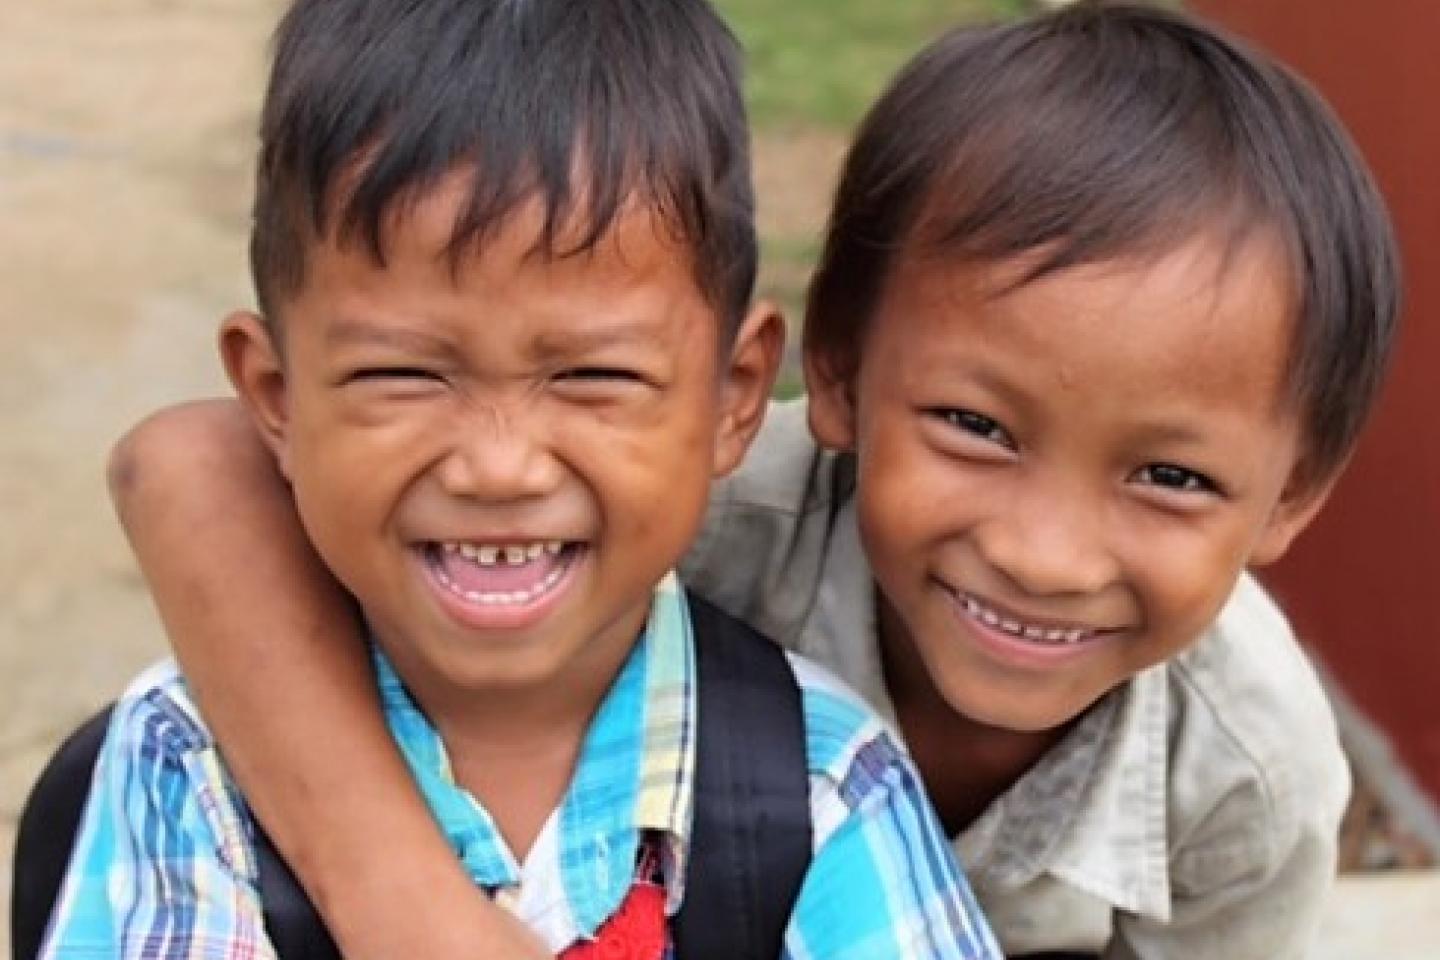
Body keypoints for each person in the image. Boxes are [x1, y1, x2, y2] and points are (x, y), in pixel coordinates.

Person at [106, 1, 1401, 957]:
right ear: (829, 375)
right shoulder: (696, 502)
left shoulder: (1251, 770)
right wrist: (402, 896)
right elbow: (184, 463)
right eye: (974, 426)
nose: (1046, 551)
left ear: (1292, 495)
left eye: (1169, 474)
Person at [38, 0, 1006, 957]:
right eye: (403, 374)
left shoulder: (823, 786)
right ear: (275, 397)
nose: (498, 466)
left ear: (736, 394)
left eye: (593, 376)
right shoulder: (186, 766)